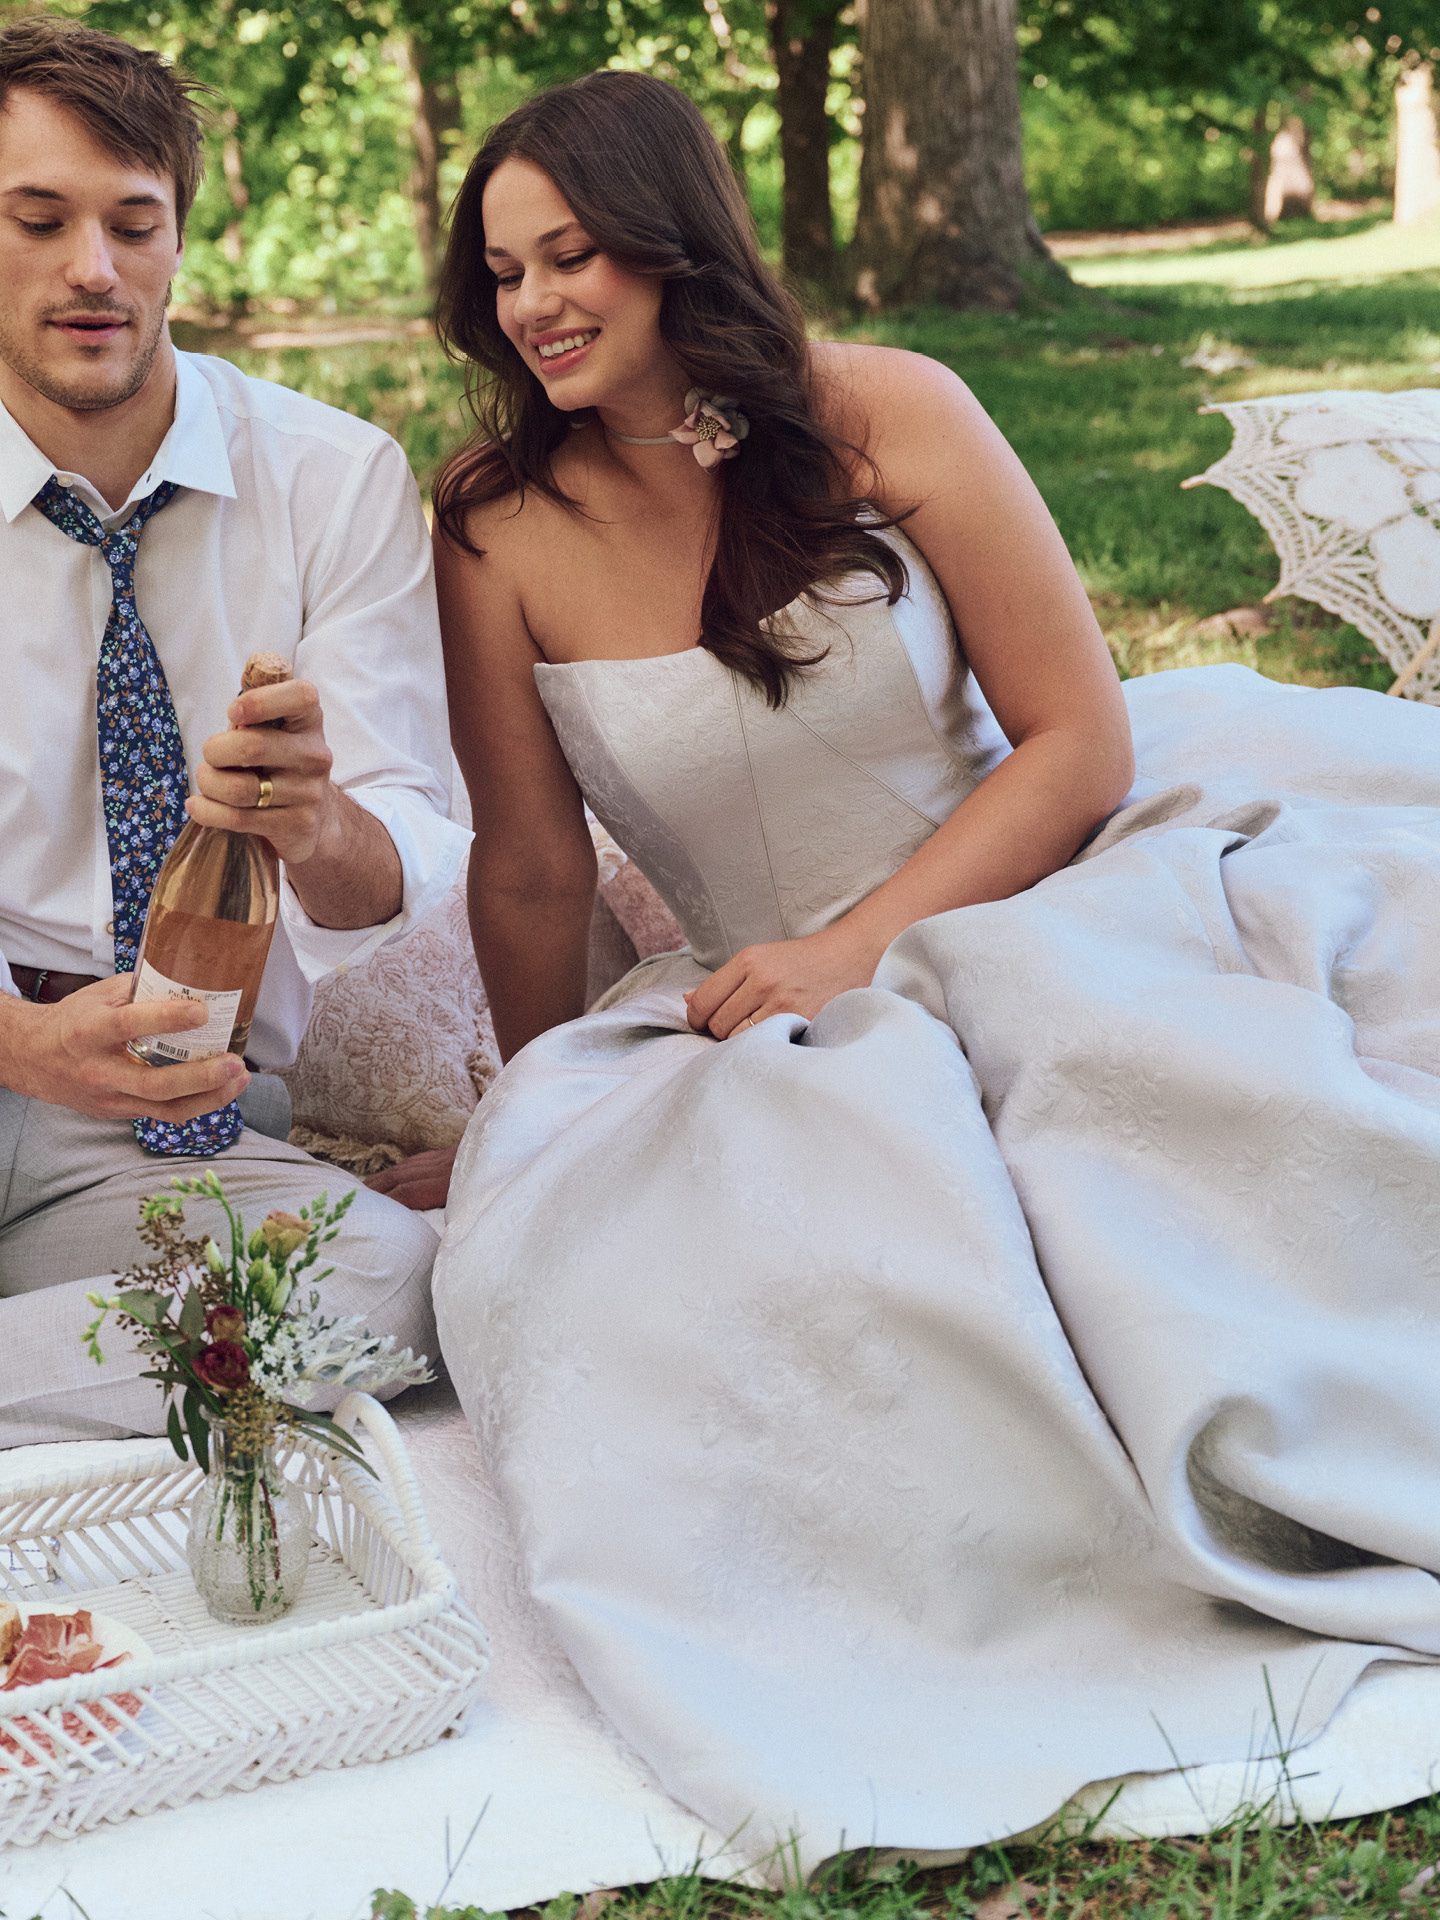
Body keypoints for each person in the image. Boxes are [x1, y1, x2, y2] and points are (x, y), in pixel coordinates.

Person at [391, 70, 1440, 1866]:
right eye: (502, 274)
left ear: (671, 246)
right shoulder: (494, 517)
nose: (537, 306)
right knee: (683, 1262)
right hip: (741, 985)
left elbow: (1074, 743)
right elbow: (534, 861)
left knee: (1195, 1128)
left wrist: (862, 948)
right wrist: (524, 1109)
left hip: (1026, 889)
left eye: (572, 256)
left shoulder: (889, 411)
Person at [0, 19, 468, 1448]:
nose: (95, 270)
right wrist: (21, 1046)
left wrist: (318, 824)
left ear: (179, 241)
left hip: (149, 1123)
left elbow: (399, 879)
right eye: (38, 220)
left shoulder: (332, 482)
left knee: (394, 1287)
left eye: (135, 225)